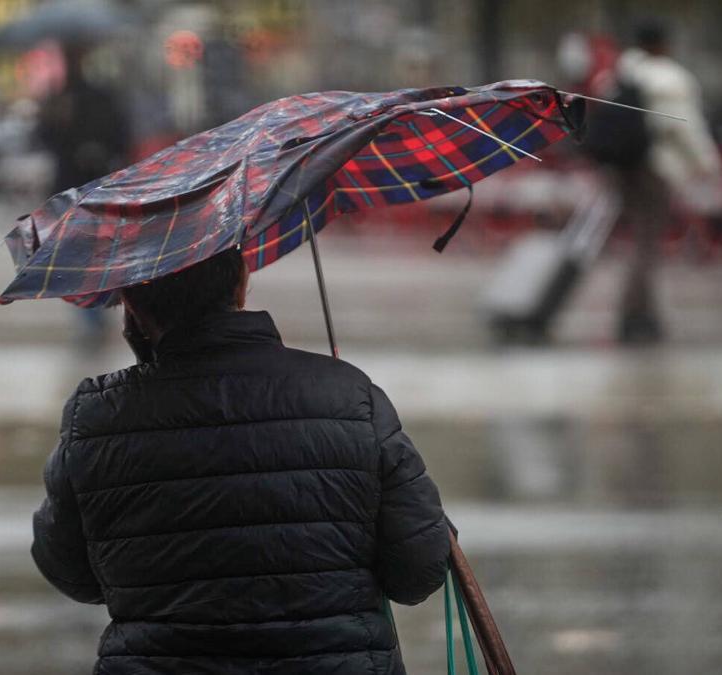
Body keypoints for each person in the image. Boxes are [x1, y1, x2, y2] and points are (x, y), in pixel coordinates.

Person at [30, 247, 451, 674]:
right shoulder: (350, 395)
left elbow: (69, 570)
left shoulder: (97, 417)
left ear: (130, 305)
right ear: (242, 282)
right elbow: (418, 571)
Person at [605, 20, 722, 343]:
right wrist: (708, 165)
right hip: (656, 169)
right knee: (647, 244)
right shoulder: (668, 78)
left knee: (638, 241)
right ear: (661, 45)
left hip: (622, 170)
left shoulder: (621, 73)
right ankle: (636, 316)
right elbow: (684, 126)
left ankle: (643, 312)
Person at [38, 44, 132, 345]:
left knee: (92, 252)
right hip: (74, 186)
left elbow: (120, 136)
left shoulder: (98, 97)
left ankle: (96, 312)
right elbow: (45, 139)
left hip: (94, 184)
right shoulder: (58, 99)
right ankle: (91, 315)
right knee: (80, 253)